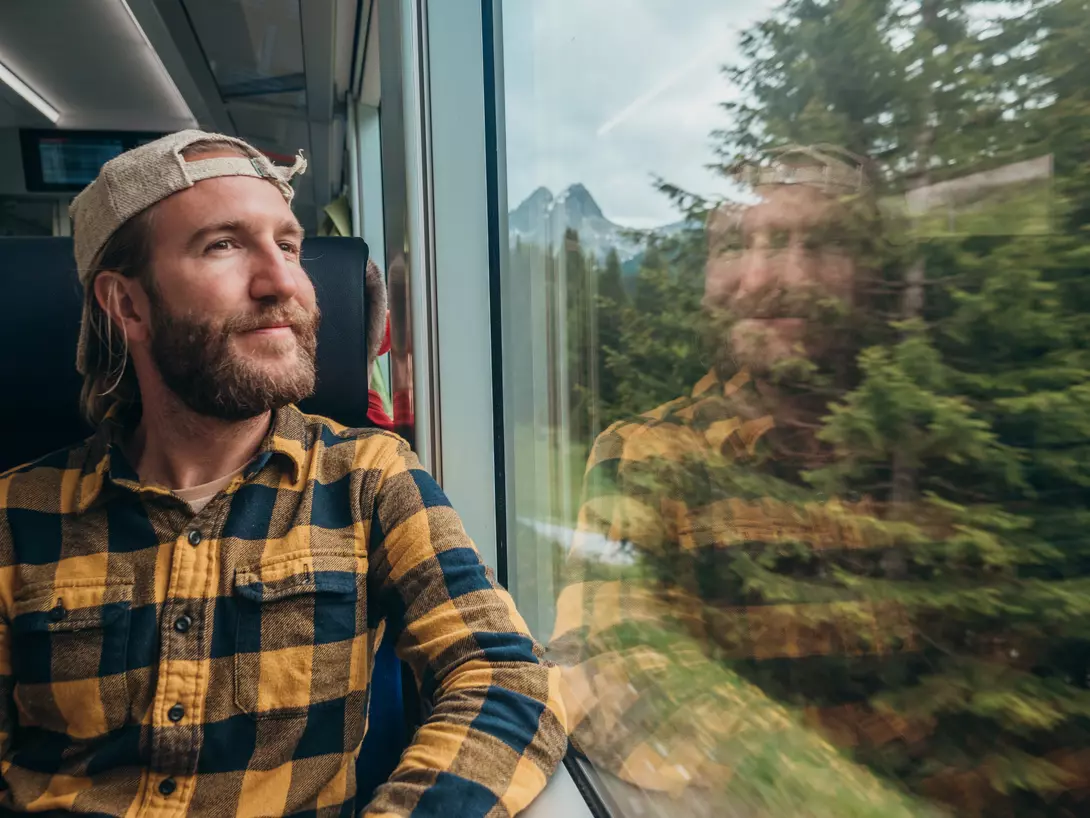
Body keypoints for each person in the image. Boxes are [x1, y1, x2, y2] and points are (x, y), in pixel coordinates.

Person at [0, 130, 567, 817]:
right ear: (127, 306)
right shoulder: (16, 512)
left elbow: (502, 675)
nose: (284, 282)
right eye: (224, 245)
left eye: (289, 245)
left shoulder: (366, 481)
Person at [549, 146, 939, 817]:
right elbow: (616, 670)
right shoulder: (647, 454)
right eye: (735, 245)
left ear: (872, 276)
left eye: (812, 243)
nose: (762, 279)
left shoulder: (928, 460)